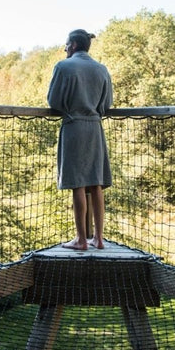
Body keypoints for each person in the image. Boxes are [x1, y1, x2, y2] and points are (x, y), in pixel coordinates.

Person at [47, 29, 113, 250]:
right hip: (95, 128)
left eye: (66, 44)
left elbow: (53, 101)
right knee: (96, 183)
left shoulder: (63, 67)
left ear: (73, 45)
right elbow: (107, 104)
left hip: (74, 127)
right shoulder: (102, 69)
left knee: (78, 183)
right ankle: (99, 239)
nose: (65, 48)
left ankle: (81, 239)